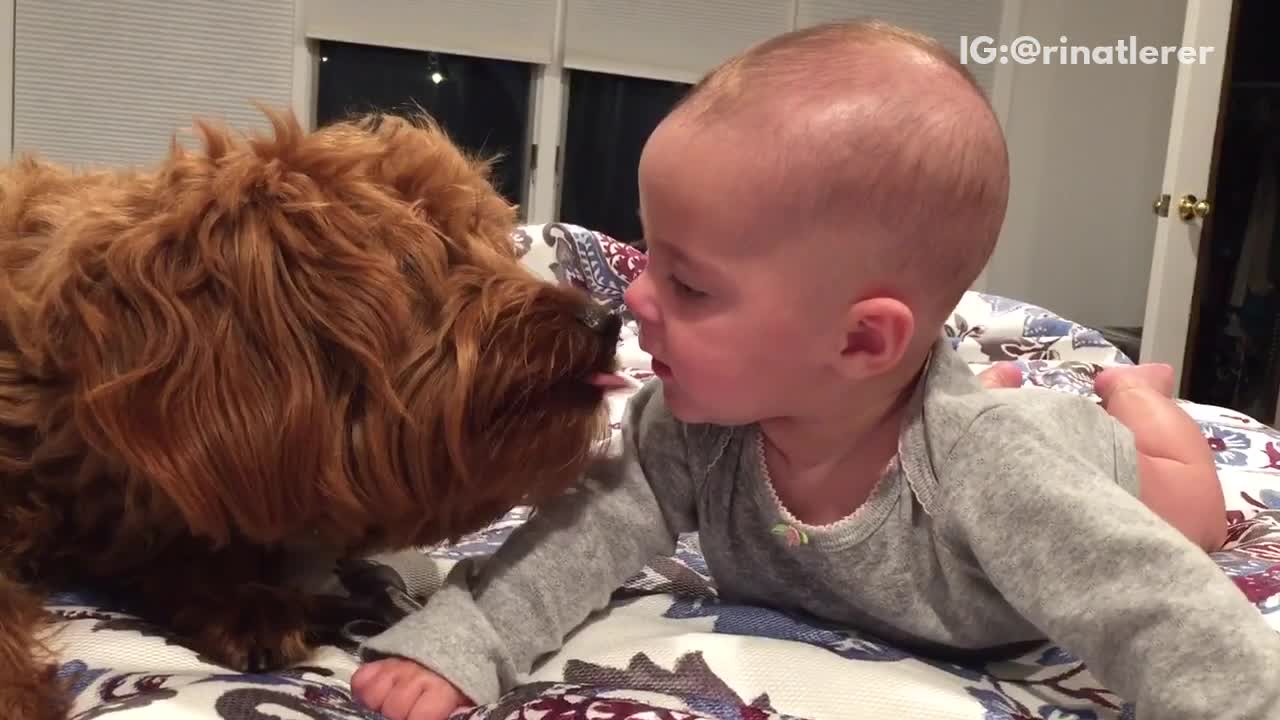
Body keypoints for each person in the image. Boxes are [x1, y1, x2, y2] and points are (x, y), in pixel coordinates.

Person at [351, 19, 1277, 720]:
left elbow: (1151, 602)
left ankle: (1137, 398)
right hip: (917, 421)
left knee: (1187, 506)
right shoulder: (688, 429)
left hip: (1078, 462)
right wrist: (464, 641)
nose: (636, 300)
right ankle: (994, 387)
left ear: (862, 343)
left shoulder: (993, 472)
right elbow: (578, 534)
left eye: (689, 285)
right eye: (646, 259)